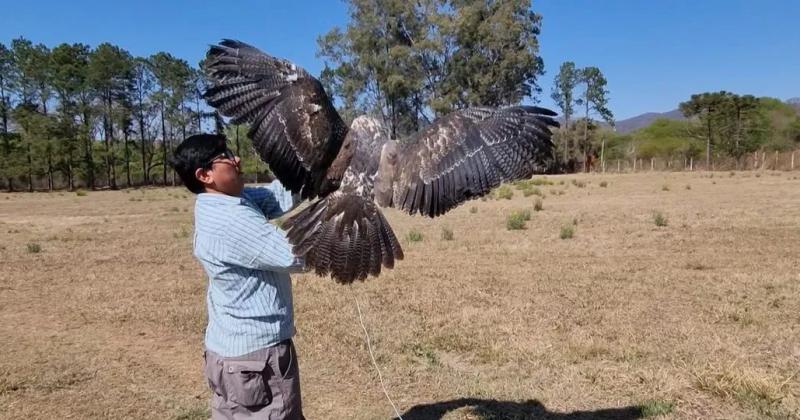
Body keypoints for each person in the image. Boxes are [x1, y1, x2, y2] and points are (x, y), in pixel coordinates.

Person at [169, 133, 306, 420]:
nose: (237, 159)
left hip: (233, 356)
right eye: (226, 157)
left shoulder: (226, 201)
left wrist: (318, 171)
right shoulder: (230, 220)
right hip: (256, 359)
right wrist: (341, 222)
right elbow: (295, 255)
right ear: (204, 174)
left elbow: (276, 197)